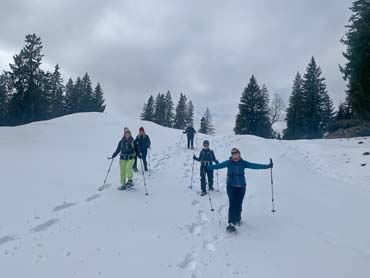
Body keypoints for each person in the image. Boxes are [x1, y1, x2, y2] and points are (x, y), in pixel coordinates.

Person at [208, 148, 273, 233]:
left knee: (239, 203)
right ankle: (231, 223)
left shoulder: (243, 163)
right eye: (232, 153)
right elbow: (218, 166)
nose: (234, 154)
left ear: (239, 154)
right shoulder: (229, 163)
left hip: (241, 187)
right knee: (232, 203)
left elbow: (255, 166)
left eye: (236, 153)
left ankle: (238, 219)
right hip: (231, 186)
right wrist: (208, 167)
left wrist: (267, 166)